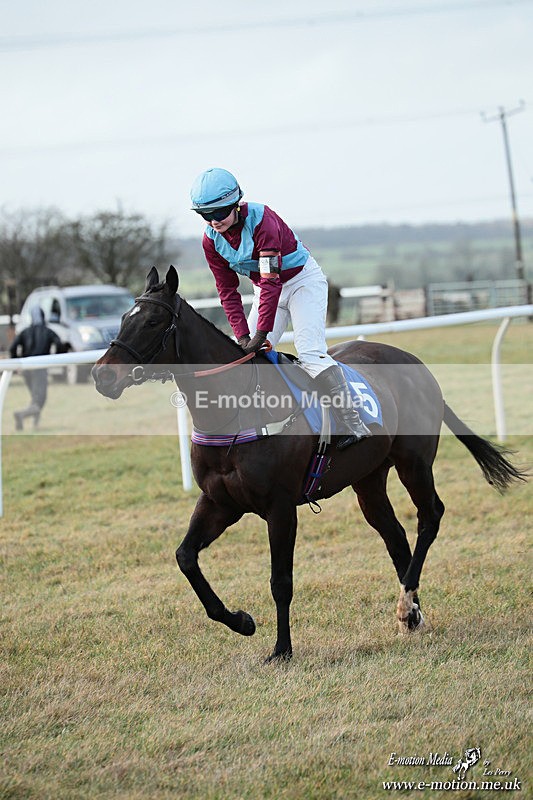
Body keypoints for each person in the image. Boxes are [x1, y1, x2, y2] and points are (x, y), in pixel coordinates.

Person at [190, 167, 371, 448]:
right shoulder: (210, 241)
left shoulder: (263, 220)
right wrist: (242, 337)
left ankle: (352, 420)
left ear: (236, 204)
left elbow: (272, 280)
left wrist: (260, 335)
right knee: (246, 359)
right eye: (205, 215)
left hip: (301, 281)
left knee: (310, 351)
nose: (213, 221)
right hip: (265, 288)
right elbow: (227, 291)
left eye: (219, 213)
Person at [9, 306, 63, 430]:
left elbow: (12, 348)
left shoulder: (25, 331)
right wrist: (56, 359)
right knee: (39, 400)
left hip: (26, 370)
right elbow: (60, 345)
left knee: (35, 398)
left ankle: (35, 425)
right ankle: (21, 415)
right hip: (40, 369)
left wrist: (17, 363)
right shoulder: (48, 331)